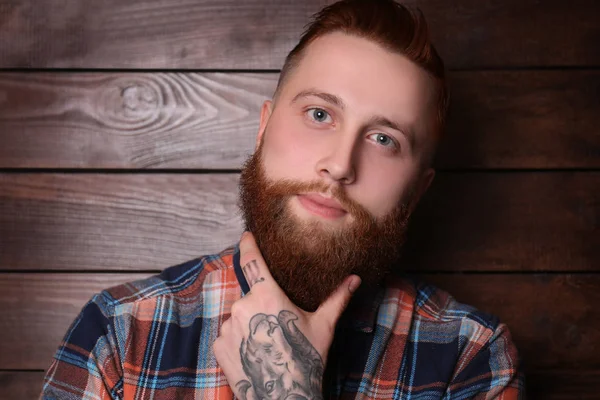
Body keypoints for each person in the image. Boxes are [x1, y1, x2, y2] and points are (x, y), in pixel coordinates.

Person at [40, 0, 524, 398]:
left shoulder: (471, 357)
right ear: (263, 128)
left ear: (418, 190)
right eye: (319, 114)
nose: (339, 165)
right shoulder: (121, 333)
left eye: (383, 140)